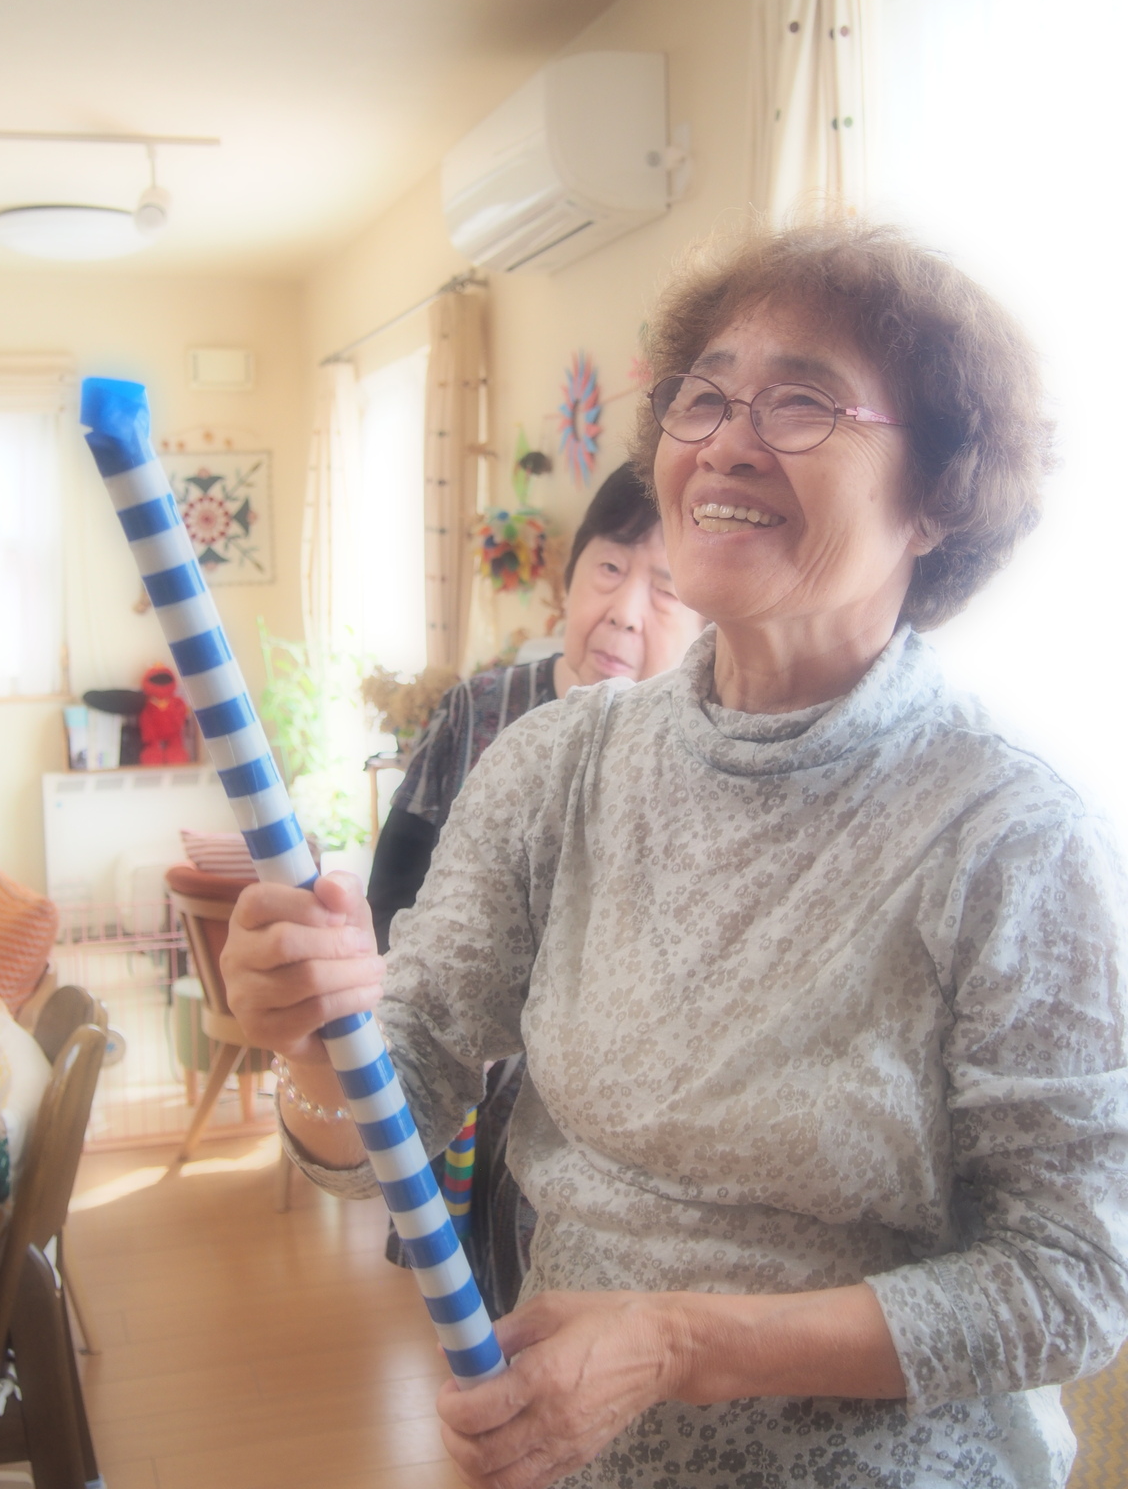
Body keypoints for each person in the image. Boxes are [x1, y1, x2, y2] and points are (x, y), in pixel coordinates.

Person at [223, 221, 1128, 1489]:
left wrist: (679, 1343)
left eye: (802, 401)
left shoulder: (1010, 834)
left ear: (938, 496)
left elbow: (1073, 1280)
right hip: (565, 1457)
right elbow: (396, 1091)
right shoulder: (559, 764)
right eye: (703, 395)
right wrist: (317, 1043)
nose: (726, 439)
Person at [369, 462, 704, 1312]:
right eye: (609, 568)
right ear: (569, 579)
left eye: (666, 588)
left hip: (606, 1138)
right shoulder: (484, 710)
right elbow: (395, 881)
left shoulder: (701, 758)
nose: (624, 609)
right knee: (479, 1318)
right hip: (467, 1080)